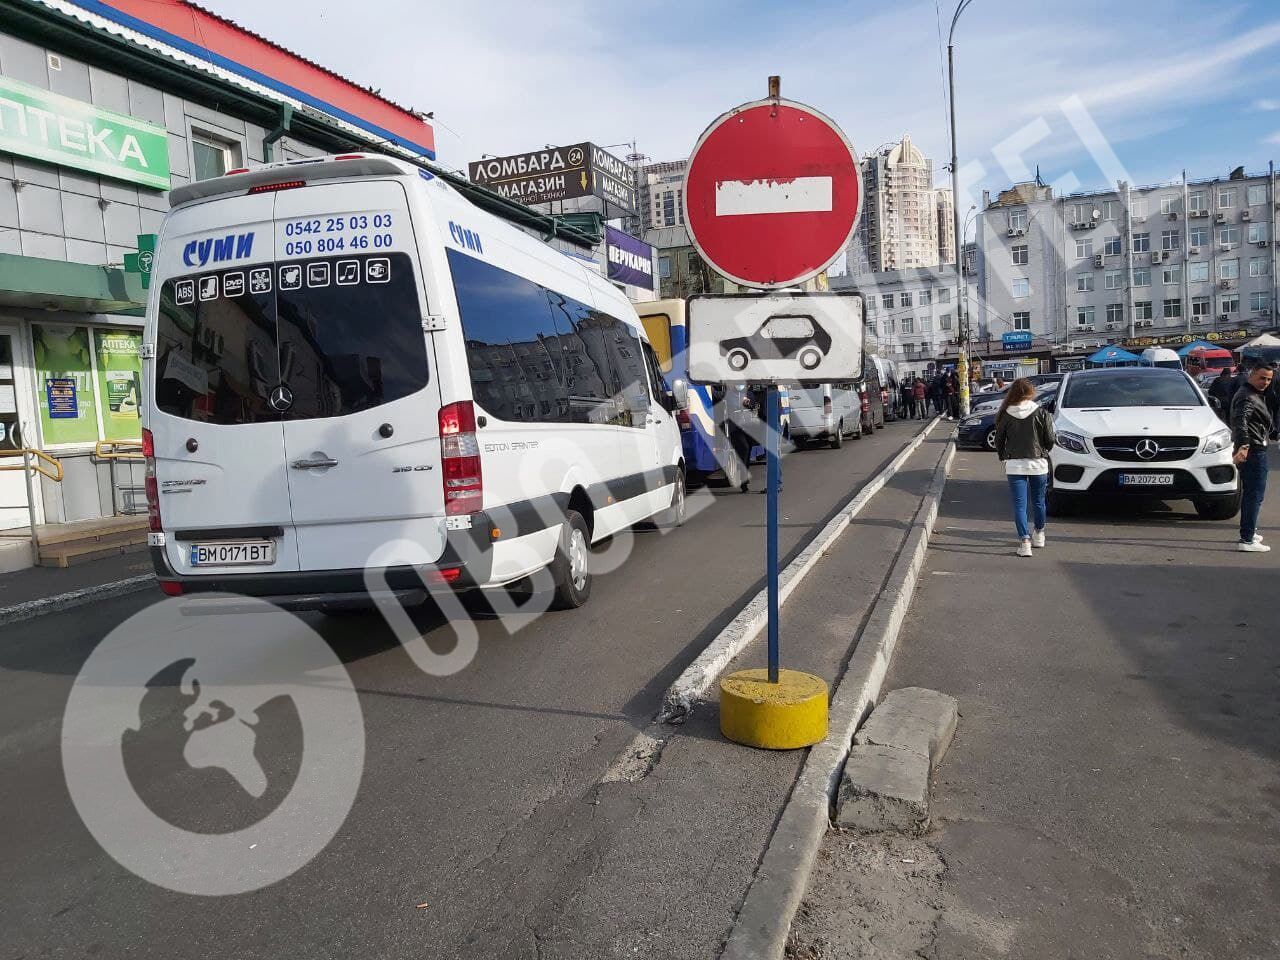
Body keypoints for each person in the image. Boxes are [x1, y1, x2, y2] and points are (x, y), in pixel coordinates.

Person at [994, 379, 1056, 557]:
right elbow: (1050, 438)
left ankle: (1025, 542)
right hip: (1038, 464)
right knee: (1039, 502)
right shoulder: (1041, 412)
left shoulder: (1006, 413)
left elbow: (999, 440)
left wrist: (1003, 456)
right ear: (1031, 392)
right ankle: (1039, 534)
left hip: (1015, 465)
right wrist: (1044, 450)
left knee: (1020, 506)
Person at [1230, 360, 1276, 553]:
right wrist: (1244, 446)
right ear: (1252, 374)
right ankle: (1247, 539)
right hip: (1254, 450)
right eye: (1262, 378)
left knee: (1253, 494)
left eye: (1268, 379)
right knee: (1254, 495)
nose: (1265, 382)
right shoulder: (1247, 396)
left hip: (1255, 448)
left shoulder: (1252, 394)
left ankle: (1250, 531)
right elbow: (1241, 421)